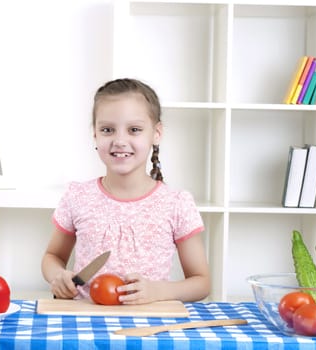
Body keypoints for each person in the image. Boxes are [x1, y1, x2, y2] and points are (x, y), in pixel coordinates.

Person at [41, 78, 210, 304]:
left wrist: (159, 291)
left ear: (156, 133)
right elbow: (52, 257)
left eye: (134, 130)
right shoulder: (77, 196)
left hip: (148, 325)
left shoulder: (176, 203)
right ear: (95, 134)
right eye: (108, 130)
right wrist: (58, 277)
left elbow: (201, 283)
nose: (120, 141)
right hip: (84, 321)